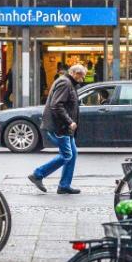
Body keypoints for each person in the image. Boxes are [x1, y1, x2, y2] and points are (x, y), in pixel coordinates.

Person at [29, 63, 85, 195]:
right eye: (81, 76)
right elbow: (56, 105)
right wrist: (69, 121)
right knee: (67, 155)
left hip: (64, 127)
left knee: (72, 154)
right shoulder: (65, 83)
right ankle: (38, 174)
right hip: (60, 126)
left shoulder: (67, 83)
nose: (82, 80)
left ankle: (64, 185)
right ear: (73, 73)